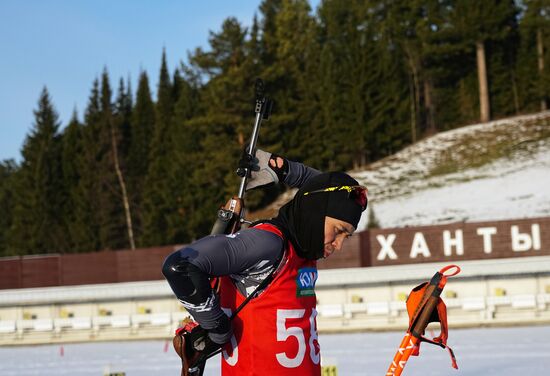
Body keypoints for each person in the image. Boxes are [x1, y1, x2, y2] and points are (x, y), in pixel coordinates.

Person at [162, 151, 368, 375]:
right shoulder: (268, 244)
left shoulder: (303, 251)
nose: (338, 245)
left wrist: (287, 170)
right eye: (338, 231)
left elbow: (326, 190)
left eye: (346, 237)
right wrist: (217, 327)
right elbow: (180, 266)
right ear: (315, 213)